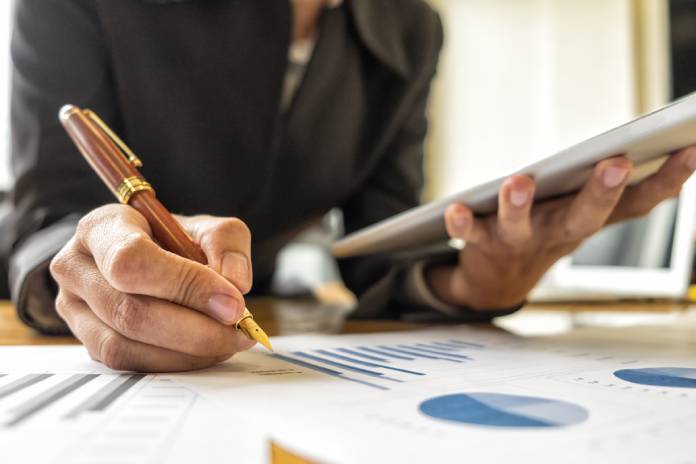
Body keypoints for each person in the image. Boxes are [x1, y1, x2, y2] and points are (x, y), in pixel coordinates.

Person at [2, 0, 694, 372]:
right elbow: (49, 210)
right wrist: (92, 259)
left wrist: (485, 284)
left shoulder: (412, 28)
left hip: (244, 310)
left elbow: (377, 245)